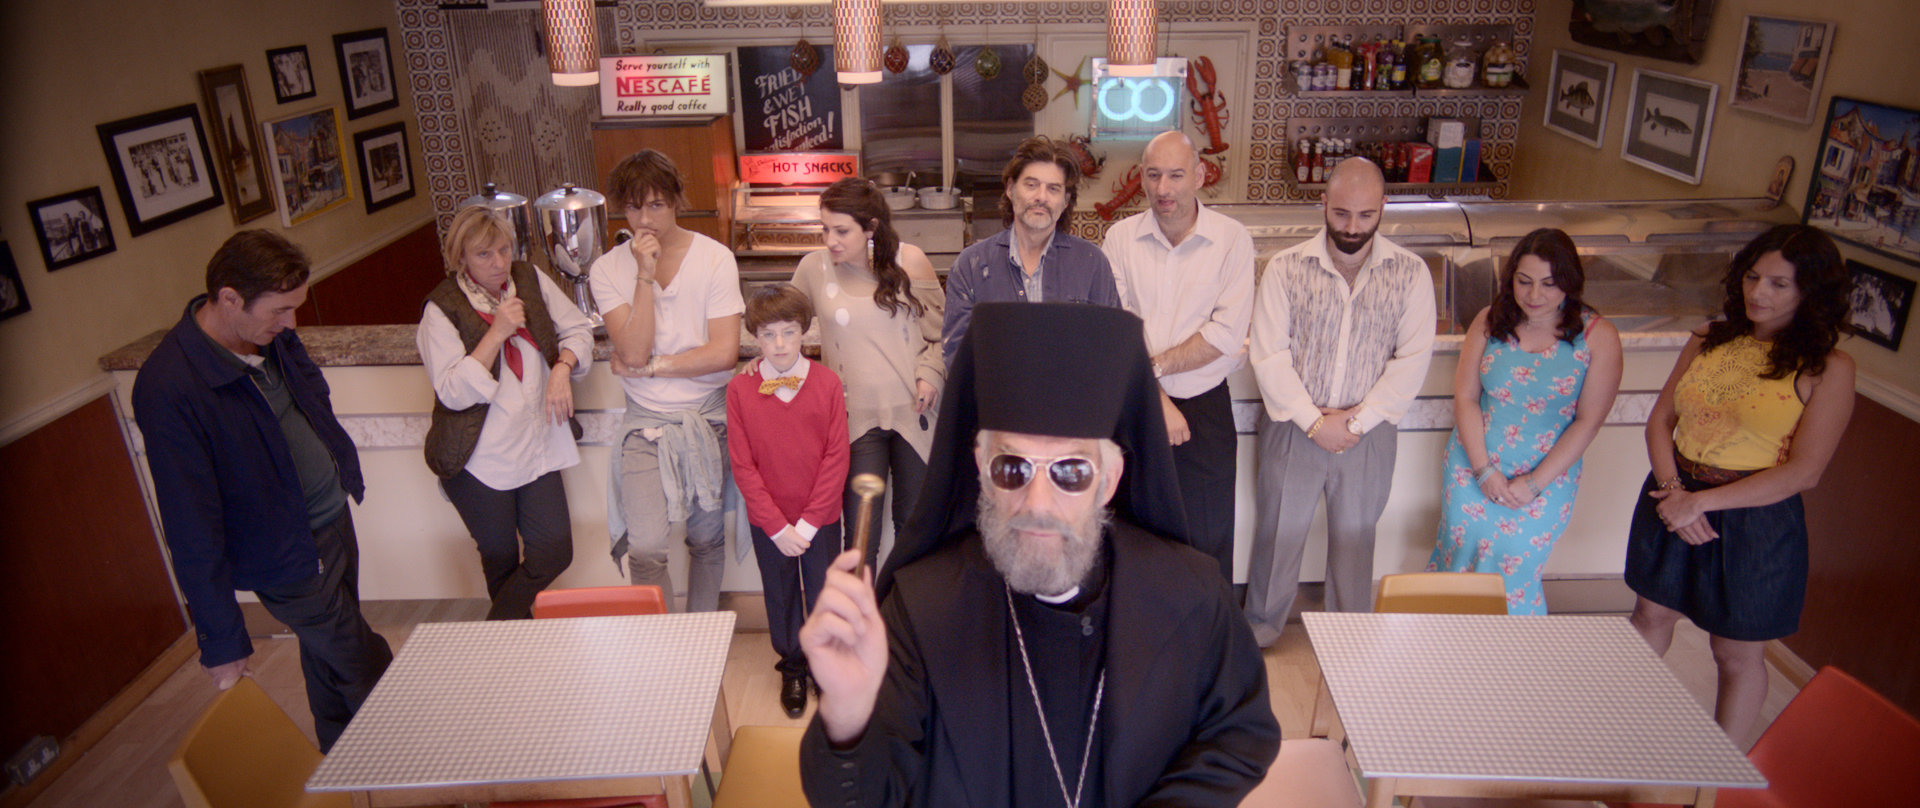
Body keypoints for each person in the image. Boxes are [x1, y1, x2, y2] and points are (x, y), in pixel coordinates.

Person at [798, 302, 1280, 807]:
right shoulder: (918, 609)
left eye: (1071, 471)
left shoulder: (1191, 595)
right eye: (1013, 469)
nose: (1038, 504)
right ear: (982, 467)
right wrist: (848, 714)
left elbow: (1241, 734)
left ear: (1110, 479)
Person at [132, 230, 392, 751]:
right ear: (229, 298)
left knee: (328, 657)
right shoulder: (169, 387)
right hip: (284, 554)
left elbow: (308, 400)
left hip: (332, 519)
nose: (291, 323)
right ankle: (411, 772)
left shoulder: (268, 336)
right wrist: (221, 637)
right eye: (279, 310)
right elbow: (189, 521)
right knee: (367, 662)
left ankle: (345, 766)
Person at [1626, 224, 1855, 743]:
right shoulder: (1710, 337)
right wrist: (1674, 494)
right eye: (1753, 277)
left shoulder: (1827, 368)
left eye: (1779, 284)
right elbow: (1661, 419)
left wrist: (1699, 503)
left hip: (1754, 516)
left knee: (1735, 651)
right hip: (1672, 492)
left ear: (1810, 292)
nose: (1759, 293)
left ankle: (1717, 776)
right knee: (1650, 614)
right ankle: (1621, 734)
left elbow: (1805, 470)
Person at [1245, 157, 1436, 647]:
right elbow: (1269, 356)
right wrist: (1315, 423)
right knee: (1278, 534)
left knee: (1355, 539)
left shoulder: (1411, 274)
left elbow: (1412, 360)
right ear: (1323, 203)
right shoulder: (1285, 268)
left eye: (1366, 216)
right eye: (1342, 213)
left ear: (1383, 209)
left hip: (1369, 433)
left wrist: (1356, 422)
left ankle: (1347, 637)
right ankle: (1262, 631)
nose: (1352, 228)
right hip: (1293, 427)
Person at [1426, 228, 1622, 614]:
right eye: (1524, 281)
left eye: (1550, 284)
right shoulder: (1489, 321)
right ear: (1510, 278)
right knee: (1458, 561)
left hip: (1547, 477)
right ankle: (1444, 659)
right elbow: (1465, 398)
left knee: (1514, 572)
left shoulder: (1598, 336)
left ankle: (1510, 666)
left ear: (1570, 282)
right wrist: (1484, 471)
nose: (1535, 295)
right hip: (1473, 467)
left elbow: (1587, 422)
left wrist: (1535, 483)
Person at [417, 206, 592, 620]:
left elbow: (578, 329)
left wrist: (562, 368)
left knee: (553, 549)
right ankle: (515, 655)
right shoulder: (440, 310)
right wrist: (496, 332)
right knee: (498, 555)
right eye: (483, 255)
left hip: (537, 444)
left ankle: (493, 632)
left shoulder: (528, 280)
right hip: (479, 458)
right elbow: (453, 392)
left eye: (503, 249)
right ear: (460, 258)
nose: (498, 263)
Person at [589, 149, 744, 613]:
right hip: (645, 424)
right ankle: (662, 641)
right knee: (648, 546)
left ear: (677, 200)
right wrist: (644, 274)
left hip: (707, 418)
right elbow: (632, 351)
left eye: (655, 205)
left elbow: (723, 354)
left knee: (705, 537)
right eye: (634, 207)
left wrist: (655, 367)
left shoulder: (715, 259)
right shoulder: (607, 269)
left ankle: (699, 637)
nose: (644, 218)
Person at [1102, 131, 1255, 581]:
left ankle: (1207, 641)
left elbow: (1225, 334)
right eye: (1153, 176)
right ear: (1142, 179)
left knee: (1206, 537)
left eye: (1175, 175)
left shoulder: (1231, 239)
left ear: (1200, 175)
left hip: (1203, 408)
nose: (1163, 189)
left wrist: (1154, 370)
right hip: (1133, 409)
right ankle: (1139, 635)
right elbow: (1116, 325)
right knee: (1132, 530)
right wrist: (1157, 396)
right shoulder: (1120, 238)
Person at [790, 178, 945, 568]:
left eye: (841, 231)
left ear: (871, 228)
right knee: (860, 535)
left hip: (915, 414)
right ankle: (861, 624)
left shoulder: (910, 261)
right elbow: (783, 322)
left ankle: (904, 622)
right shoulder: (813, 268)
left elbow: (945, 335)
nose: (831, 240)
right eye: (825, 229)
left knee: (913, 529)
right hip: (853, 420)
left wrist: (930, 372)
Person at [727, 284, 851, 718]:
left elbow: (837, 457)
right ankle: (792, 666)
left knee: (821, 592)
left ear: (805, 332)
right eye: (768, 335)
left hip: (820, 518)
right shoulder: (740, 391)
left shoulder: (828, 384)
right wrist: (777, 526)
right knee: (779, 594)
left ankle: (823, 664)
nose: (779, 345)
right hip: (770, 521)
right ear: (753, 338)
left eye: (789, 332)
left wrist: (811, 522)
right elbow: (743, 465)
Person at [941, 135, 1122, 365]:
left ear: (1066, 201)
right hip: (996, 399)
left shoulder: (1092, 263)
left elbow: (1112, 347)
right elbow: (956, 356)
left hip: (1071, 400)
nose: (1041, 197)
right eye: (1031, 184)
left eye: (1053, 189)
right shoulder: (971, 265)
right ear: (1010, 189)